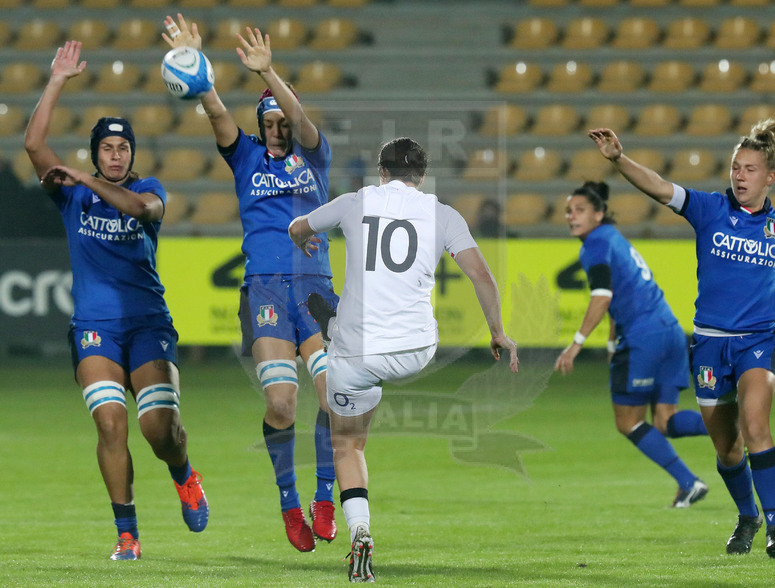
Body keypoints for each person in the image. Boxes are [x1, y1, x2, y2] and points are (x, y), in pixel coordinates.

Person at [289, 137, 519, 582]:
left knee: (348, 444)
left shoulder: (355, 202)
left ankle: (359, 530)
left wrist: (304, 241)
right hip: (416, 349)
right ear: (422, 177)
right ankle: (333, 324)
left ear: (381, 173)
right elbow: (482, 276)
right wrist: (497, 332)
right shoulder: (442, 213)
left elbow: (299, 227)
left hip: (357, 351)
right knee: (373, 352)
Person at [24, 41, 208, 561]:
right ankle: (127, 533)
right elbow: (34, 145)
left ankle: (183, 472)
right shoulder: (72, 196)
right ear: (95, 151)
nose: (115, 154)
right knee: (110, 423)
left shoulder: (149, 189)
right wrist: (57, 79)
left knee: (161, 431)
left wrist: (83, 178)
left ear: (131, 155)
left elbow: (142, 210)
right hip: (95, 327)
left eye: (122, 147)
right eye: (106, 147)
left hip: (149, 324)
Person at [162, 14, 338, 552]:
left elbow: (303, 120)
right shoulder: (244, 158)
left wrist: (270, 72)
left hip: (315, 289)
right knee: (282, 405)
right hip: (264, 289)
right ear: (261, 125)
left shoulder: (314, 154)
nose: (280, 128)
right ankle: (289, 505)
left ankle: (325, 494)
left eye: (283, 119)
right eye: (271, 121)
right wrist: (199, 71)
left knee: (338, 397)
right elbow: (214, 112)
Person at [589, 120, 775, 558]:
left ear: (770, 177)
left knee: (756, 425)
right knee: (727, 450)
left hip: (756, 342)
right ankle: (748, 517)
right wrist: (619, 159)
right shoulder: (708, 209)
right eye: (735, 168)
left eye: (750, 169)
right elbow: (661, 188)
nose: (740, 176)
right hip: (708, 344)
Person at [554, 181, 709, 509]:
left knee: (628, 421)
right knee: (665, 420)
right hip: (670, 331)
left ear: (598, 214)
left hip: (643, 338)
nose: (571, 216)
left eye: (579, 210)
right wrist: (612, 341)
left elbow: (603, 295)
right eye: (569, 210)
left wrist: (576, 344)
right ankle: (729, 424)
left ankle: (688, 481)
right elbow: (622, 293)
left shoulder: (594, 244)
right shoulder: (613, 239)